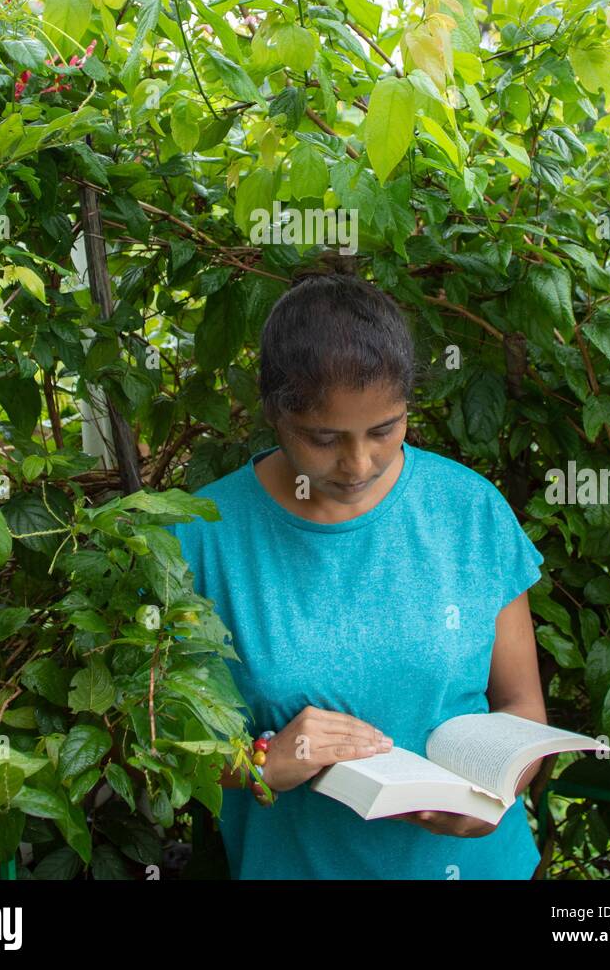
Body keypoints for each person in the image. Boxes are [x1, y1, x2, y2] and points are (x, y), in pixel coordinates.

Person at [166, 253, 547, 880]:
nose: (359, 464)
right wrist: (259, 761)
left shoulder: (468, 509)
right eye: (322, 437)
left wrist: (499, 788)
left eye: (384, 429)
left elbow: (521, 706)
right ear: (273, 413)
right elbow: (159, 749)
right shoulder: (200, 537)